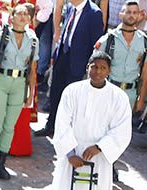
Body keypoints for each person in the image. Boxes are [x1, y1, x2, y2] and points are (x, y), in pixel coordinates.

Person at [46, 53, 133, 190]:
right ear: (87, 67)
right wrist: (70, 153)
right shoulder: (73, 91)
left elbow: (122, 130)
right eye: (94, 67)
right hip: (73, 154)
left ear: (109, 71)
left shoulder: (118, 97)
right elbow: (62, 123)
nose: (98, 72)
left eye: (103, 68)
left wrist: (100, 147)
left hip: (99, 159)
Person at [0, 5, 40, 180]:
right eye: (19, 14)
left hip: (19, 83)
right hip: (1, 81)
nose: (23, 17)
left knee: (10, 127)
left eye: (26, 14)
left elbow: (32, 68)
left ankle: (2, 162)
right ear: (12, 17)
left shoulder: (33, 40)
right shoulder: (1, 36)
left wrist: (31, 92)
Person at [43, 0, 106, 137]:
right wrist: (56, 54)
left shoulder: (94, 13)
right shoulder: (71, 8)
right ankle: (50, 125)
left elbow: (95, 43)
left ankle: (65, 132)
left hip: (78, 61)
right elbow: (66, 30)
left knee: (71, 99)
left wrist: (89, 66)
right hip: (63, 56)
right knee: (55, 92)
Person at [93, 0, 147, 115]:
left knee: (122, 132)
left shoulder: (145, 42)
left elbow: (145, 74)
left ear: (139, 15)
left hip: (129, 96)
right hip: (107, 92)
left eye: (135, 12)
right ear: (121, 14)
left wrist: (140, 101)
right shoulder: (108, 39)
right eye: (128, 12)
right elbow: (93, 68)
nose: (131, 15)